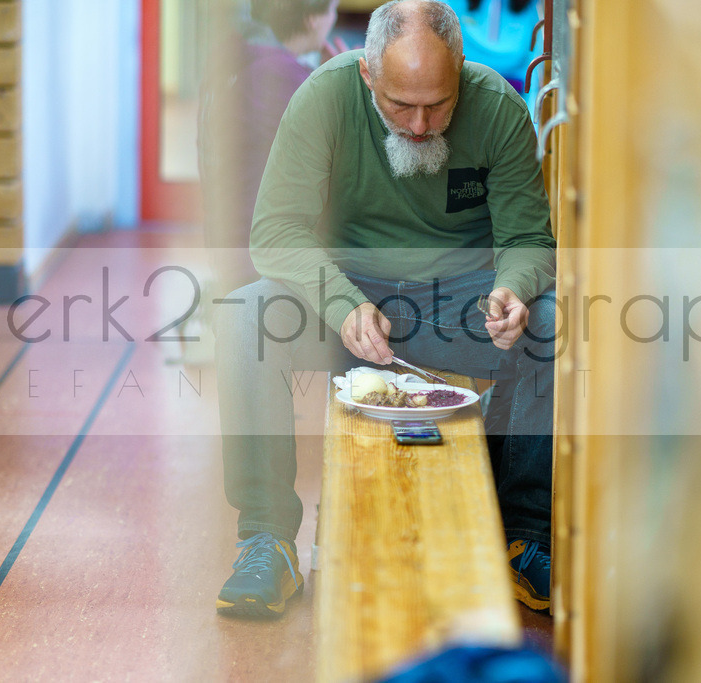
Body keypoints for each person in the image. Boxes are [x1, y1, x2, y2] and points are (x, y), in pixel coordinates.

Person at [213, 0, 556, 619]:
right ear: (367, 74)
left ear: (460, 68)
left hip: (460, 305)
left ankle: (524, 535)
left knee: (551, 321)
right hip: (344, 296)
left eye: (439, 104)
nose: (421, 126)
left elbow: (529, 241)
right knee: (244, 318)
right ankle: (266, 539)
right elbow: (275, 232)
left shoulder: (499, 108)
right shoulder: (322, 98)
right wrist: (342, 302)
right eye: (401, 105)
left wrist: (514, 289)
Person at [198, 0, 340, 293]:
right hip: (261, 255)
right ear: (313, 19)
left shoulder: (245, 61)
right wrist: (342, 82)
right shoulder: (282, 77)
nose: (333, 20)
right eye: (332, 10)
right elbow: (340, 156)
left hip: (231, 236)